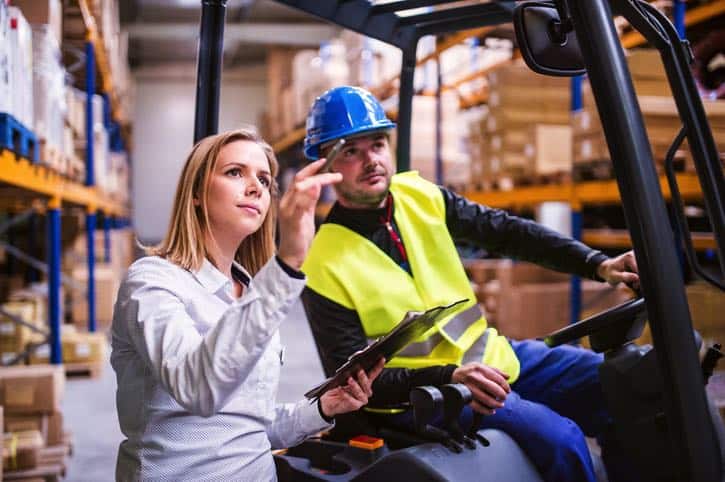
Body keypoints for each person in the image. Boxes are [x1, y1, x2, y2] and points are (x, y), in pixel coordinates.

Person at [300, 86, 641, 482]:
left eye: (376, 143)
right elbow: (355, 386)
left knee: (620, 384)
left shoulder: (421, 196)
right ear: (326, 164)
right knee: (560, 437)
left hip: (491, 359)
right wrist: (448, 377)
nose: (370, 160)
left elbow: (508, 232)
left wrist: (597, 263)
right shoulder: (323, 264)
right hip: (427, 396)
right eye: (350, 151)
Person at [110, 126, 385, 481]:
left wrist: (321, 407)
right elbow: (199, 389)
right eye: (235, 172)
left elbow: (246, 429)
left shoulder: (250, 290)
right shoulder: (152, 282)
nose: (256, 187)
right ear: (195, 193)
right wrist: (286, 264)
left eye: (265, 180)